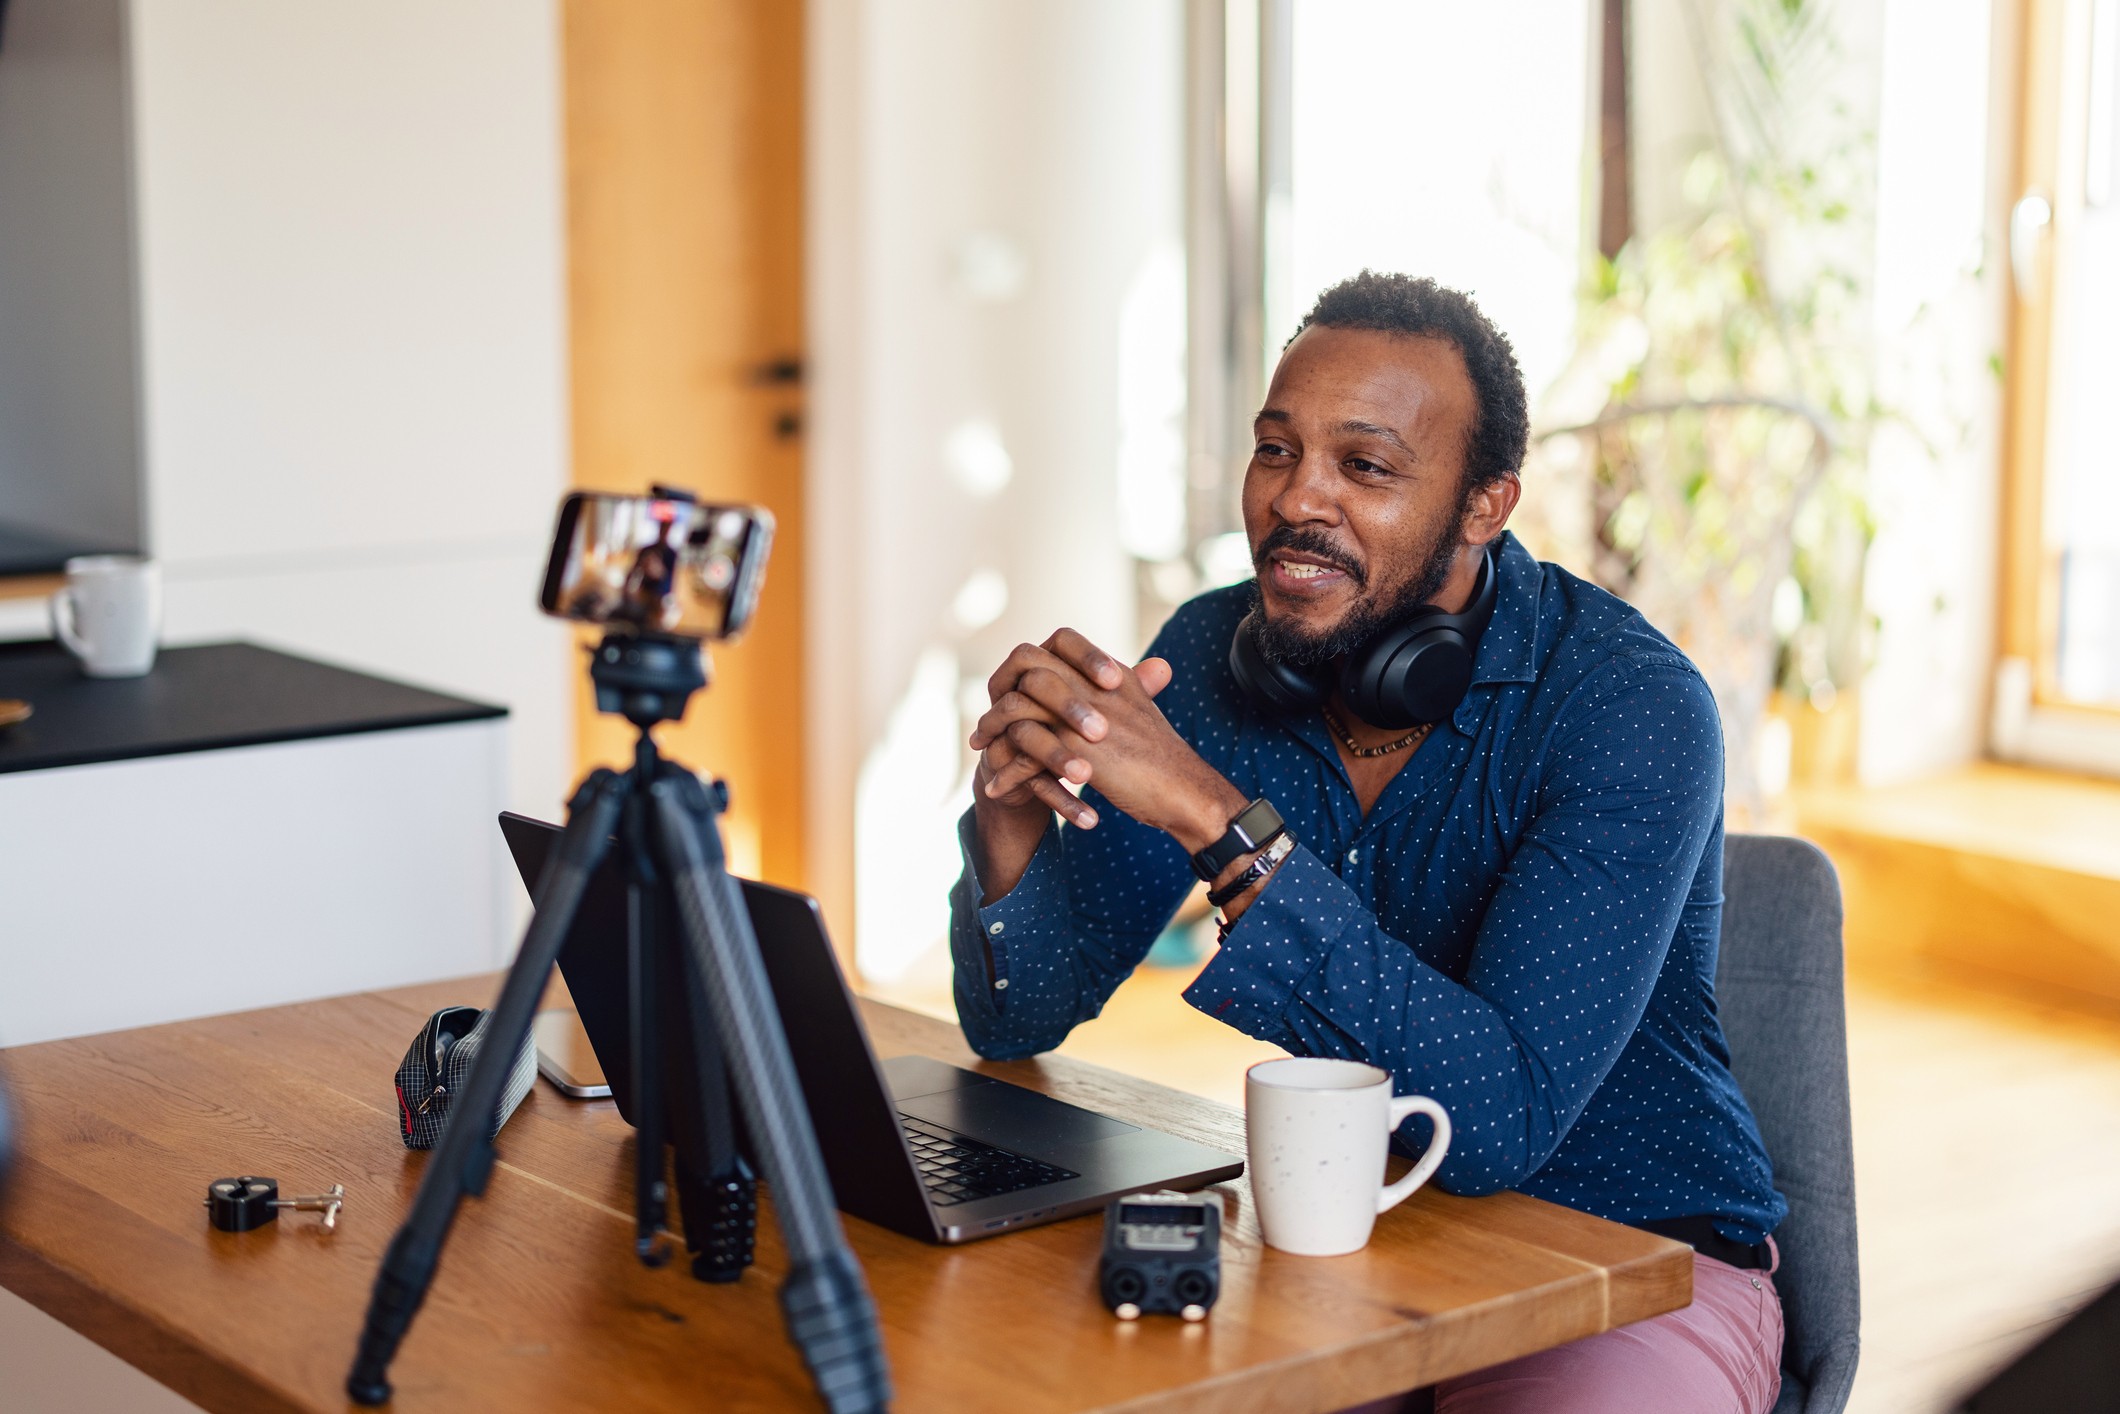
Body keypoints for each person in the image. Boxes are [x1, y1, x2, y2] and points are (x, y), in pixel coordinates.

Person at [949, 271, 1787, 1414]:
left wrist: (1212, 816)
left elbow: (1496, 1124)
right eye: (1274, 451)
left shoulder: (1625, 705)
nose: (1298, 499)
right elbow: (1016, 1015)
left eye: (1366, 466)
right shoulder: (1210, 656)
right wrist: (1010, 803)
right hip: (1345, 1238)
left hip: (1627, 1264)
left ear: (1486, 506)